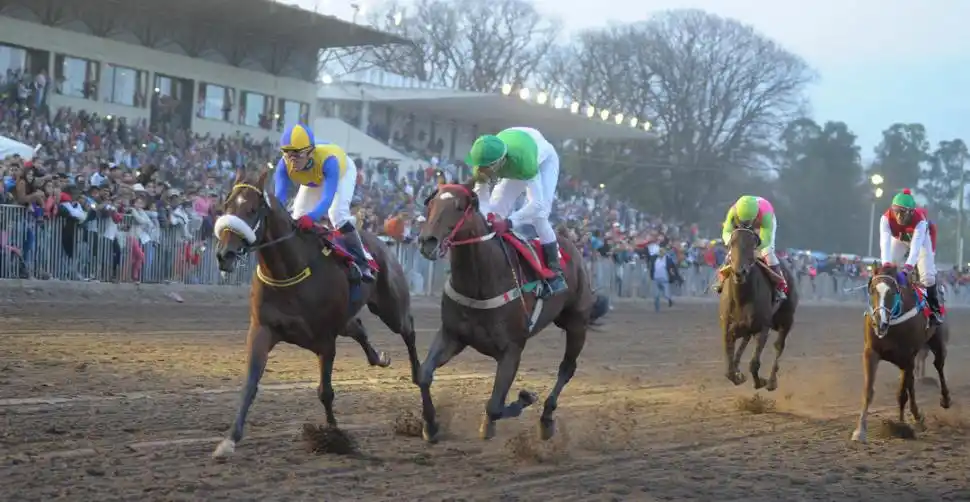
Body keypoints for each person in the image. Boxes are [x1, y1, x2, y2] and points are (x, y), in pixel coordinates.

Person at [466, 127, 566, 296]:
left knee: (539, 217)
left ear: (499, 162)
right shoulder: (482, 163)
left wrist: (508, 222)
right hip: (516, 148)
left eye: (487, 169)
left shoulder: (523, 162)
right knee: (496, 209)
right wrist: (489, 217)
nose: (483, 173)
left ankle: (555, 273)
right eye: (481, 169)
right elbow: (482, 201)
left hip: (542, 160)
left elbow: (537, 204)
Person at [273, 124, 374, 283]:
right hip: (314, 178)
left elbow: (326, 200)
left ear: (310, 152)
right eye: (287, 153)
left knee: (337, 215)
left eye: (297, 154)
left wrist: (312, 217)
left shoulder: (330, 161)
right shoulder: (283, 166)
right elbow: (279, 199)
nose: (292, 160)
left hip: (341, 171)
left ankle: (363, 262)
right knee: (297, 215)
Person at [879, 188, 942, 324]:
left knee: (928, 277)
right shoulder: (885, 218)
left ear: (912, 212)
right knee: (890, 270)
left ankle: (934, 310)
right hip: (900, 239)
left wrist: (907, 268)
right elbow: (885, 243)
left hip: (921, 241)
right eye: (896, 212)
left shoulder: (920, 221)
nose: (899, 216)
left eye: (903, 213)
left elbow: (915, 248)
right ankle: (887, 306)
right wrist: (886, 265)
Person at [712, 195, 788, 300]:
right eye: (743, 221)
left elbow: (766, 240)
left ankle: (779, 286)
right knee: (732, 253)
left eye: (748, 222)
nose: (745, 224)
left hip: (762, 227)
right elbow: (726, 232)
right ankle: (721, 280)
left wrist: (752, 248)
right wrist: (733, 244)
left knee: (768, 253)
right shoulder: (733, 211)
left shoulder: (766, 214)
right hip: (743, 228)